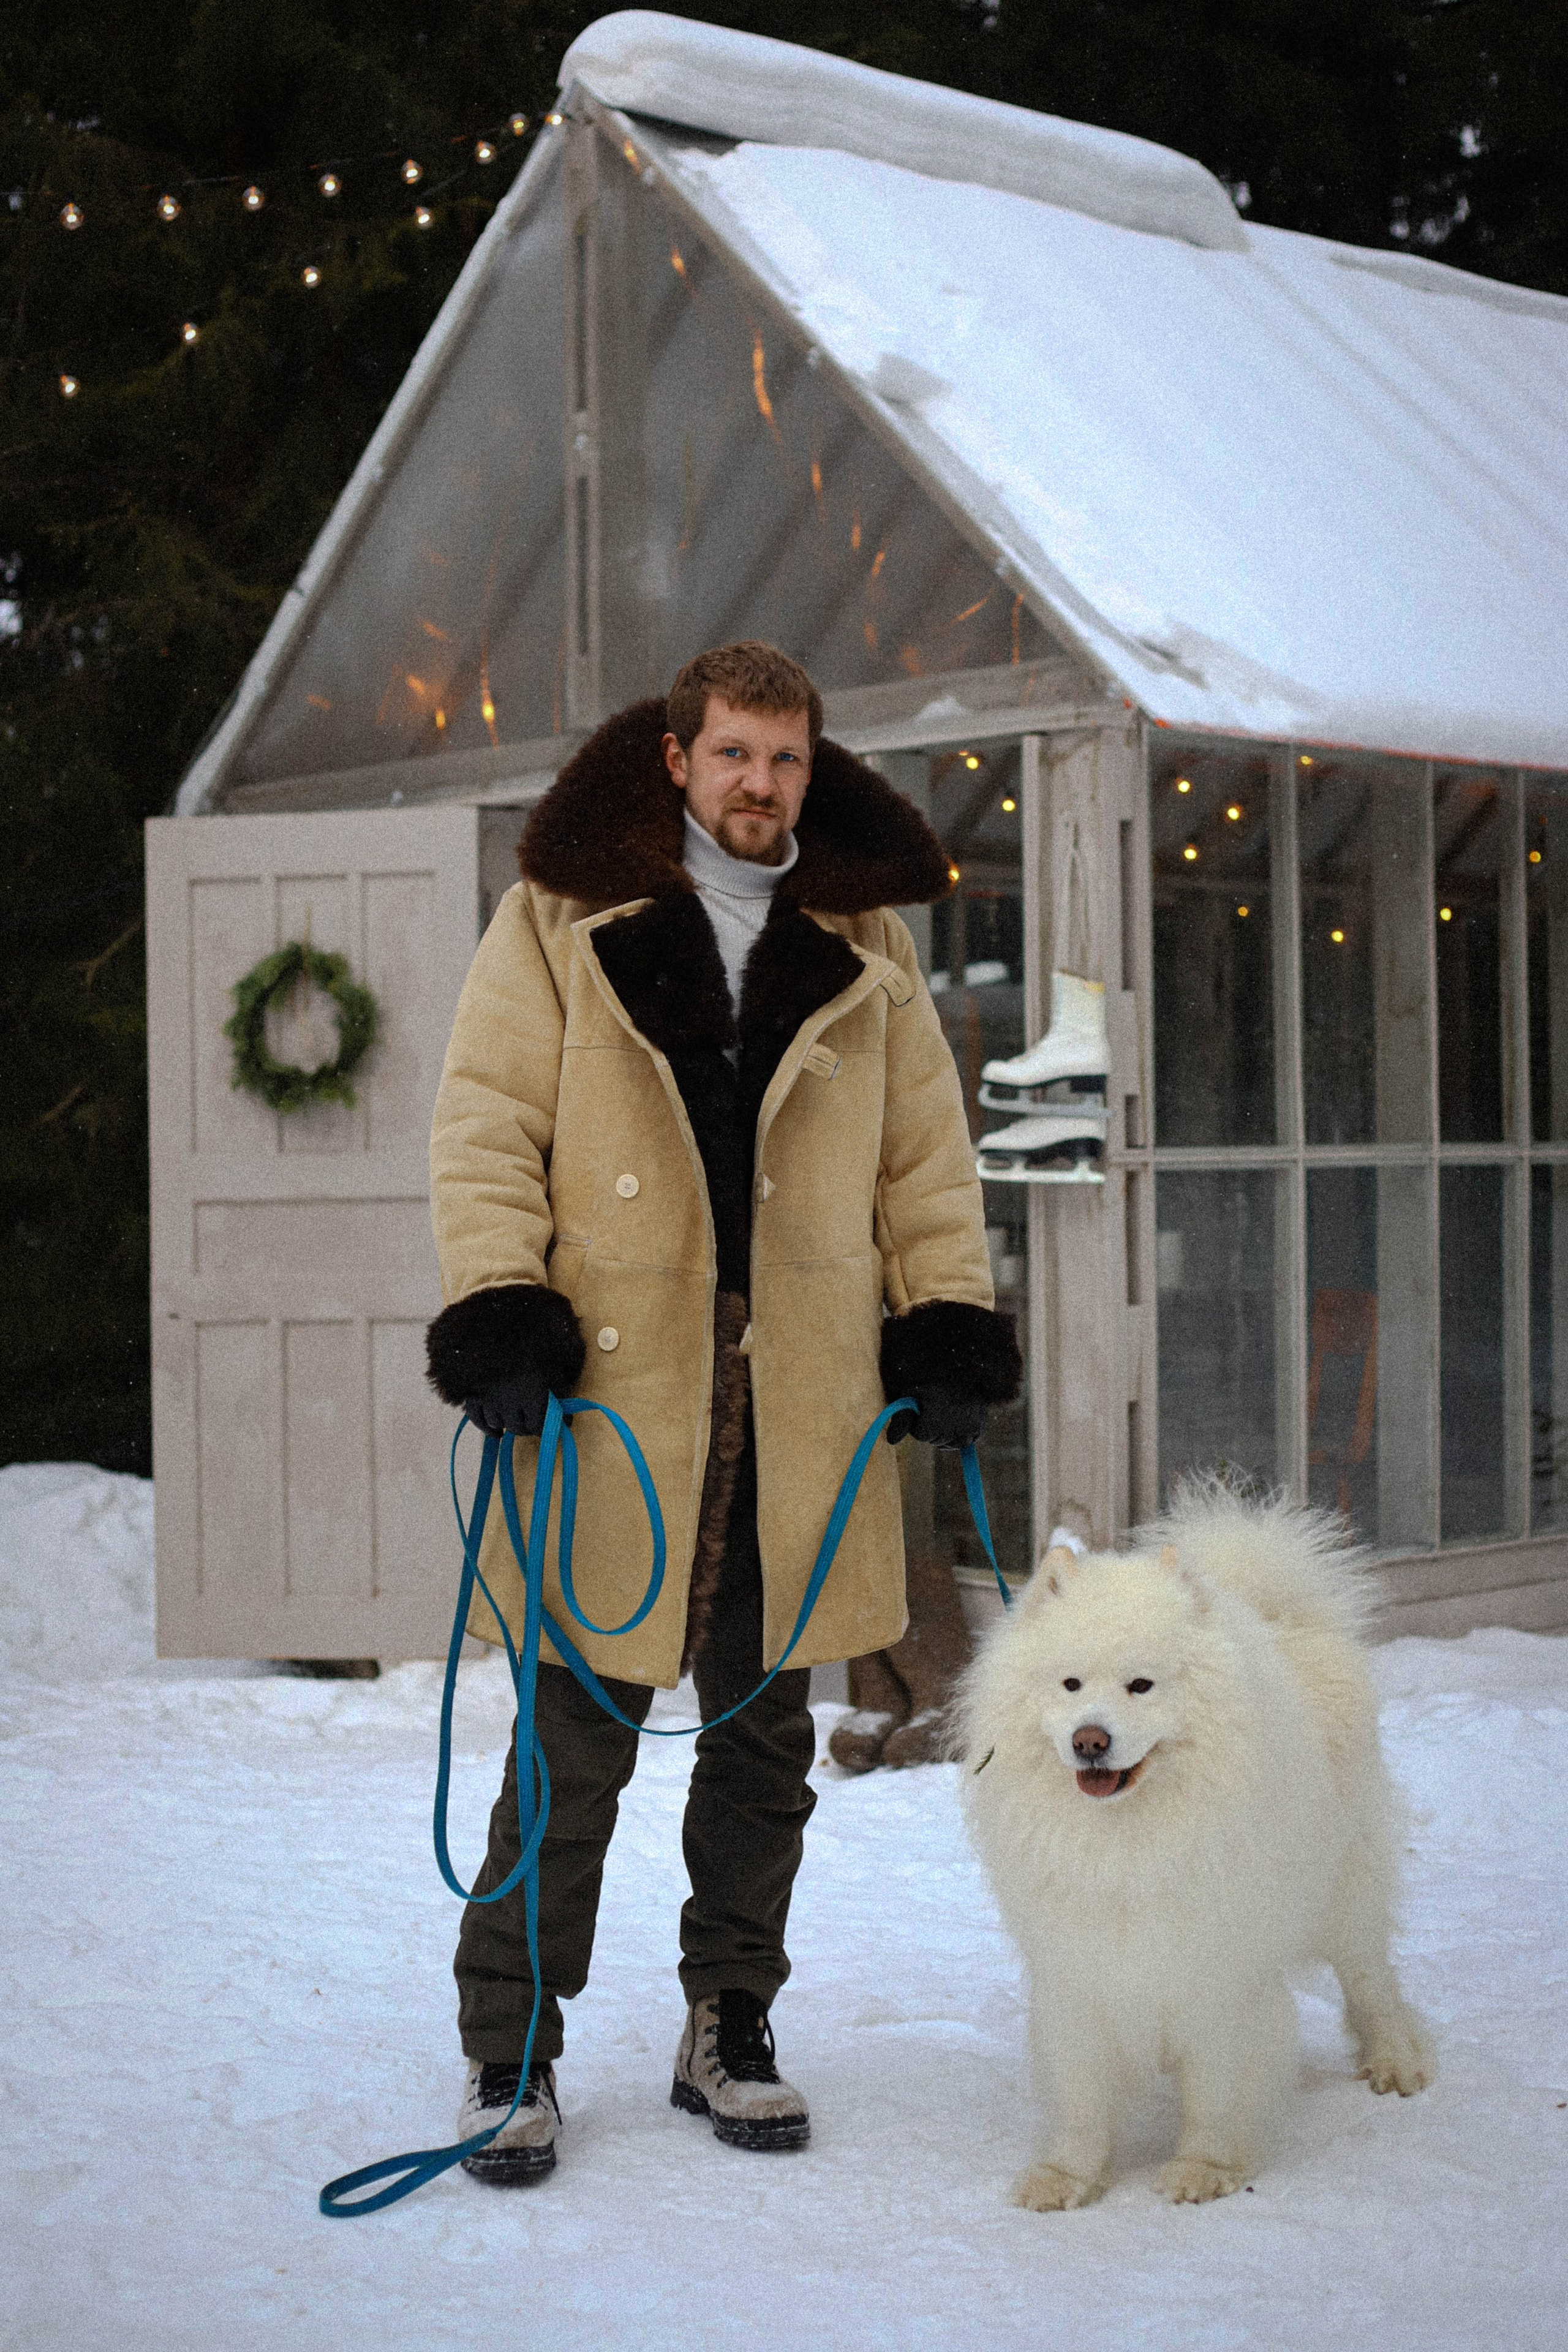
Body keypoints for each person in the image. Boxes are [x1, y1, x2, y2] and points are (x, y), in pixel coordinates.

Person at [424, 640, 1020, 2183]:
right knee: (571, 1743)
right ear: (678, 759)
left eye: (786, 759)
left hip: (801, 1389)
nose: (761, 784)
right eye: (735, 754)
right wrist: (502, 1308)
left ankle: (728, 2024)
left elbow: (922, 1162)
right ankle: (511, 2049)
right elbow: (486, 1125)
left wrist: (943, 1324)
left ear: (810, 772)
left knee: (762, 1745)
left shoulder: (863, 937)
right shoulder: (556, 916)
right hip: (615, 1398)